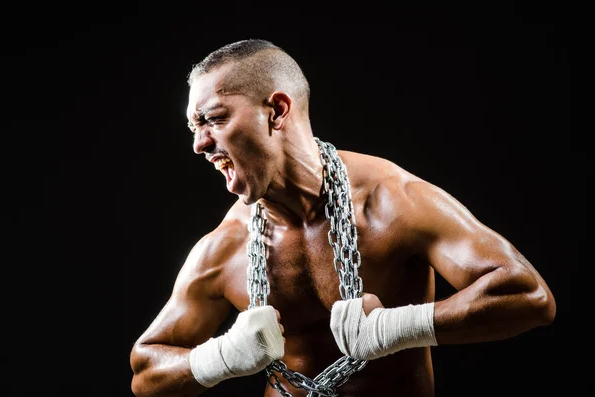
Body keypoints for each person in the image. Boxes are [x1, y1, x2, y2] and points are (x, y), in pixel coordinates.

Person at [129, 38, 556, 397]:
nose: (200, 144)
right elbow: (146, 371)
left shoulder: (391, 202)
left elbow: (527, 296)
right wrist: (222, 356)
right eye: (193, 127)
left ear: (277, 111)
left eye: (214, 119)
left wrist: (393, 329)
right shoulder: (227, 247)